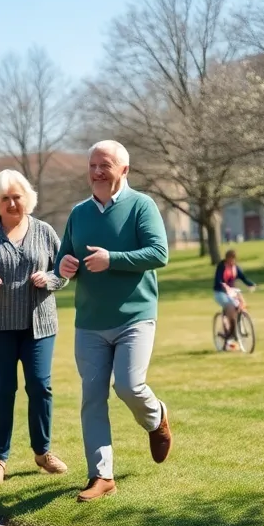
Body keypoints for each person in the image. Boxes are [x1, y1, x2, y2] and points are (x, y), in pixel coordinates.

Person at [56, 140, 172, 503]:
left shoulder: (142, 206)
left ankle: (156, 418)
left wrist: (113, 259)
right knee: (92, 397)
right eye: (92, 165)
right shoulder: (79, 213)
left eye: (104, 165)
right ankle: (101, 475)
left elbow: (159, 253)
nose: (96, 172)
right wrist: (64, 268)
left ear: (124, 170)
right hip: (89, 321)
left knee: (128, 385)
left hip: (134, 316)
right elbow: (62, 260)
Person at [0, 169, 69, 484]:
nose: (11, 203)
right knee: (4, 390)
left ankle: (43, 452)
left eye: (16, 197)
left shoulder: (44, 231)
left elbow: (63, 269)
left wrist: (49, 278)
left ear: (26, 199)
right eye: (4, 198)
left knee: (40, 386)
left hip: (39, 325)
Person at [213, 249, 256, 350]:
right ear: (227, 258)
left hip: (232, 291)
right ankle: (230, 332)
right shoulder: (221, 266)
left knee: (241, 305)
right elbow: (218, 280)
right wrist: (224, 286)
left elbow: (243, 278)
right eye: (230, 259)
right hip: (220, 292)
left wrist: (251, 284)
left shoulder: (235, 268)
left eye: (234, 259)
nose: (232, 261)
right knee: (230, 307)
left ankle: (239, 326)